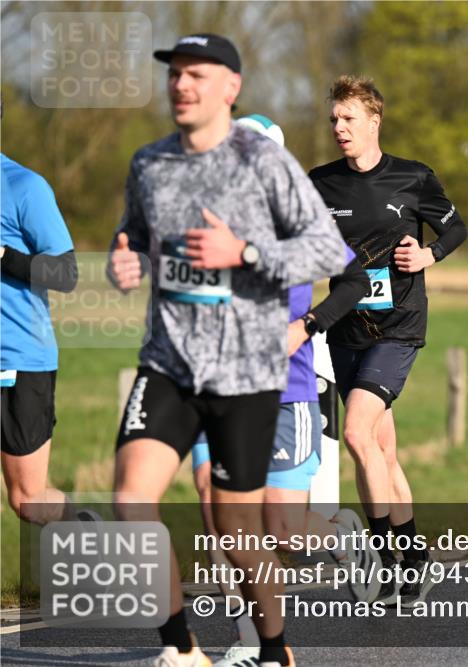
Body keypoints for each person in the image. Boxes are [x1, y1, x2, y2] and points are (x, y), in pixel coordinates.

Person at [106, 34, 349, 667]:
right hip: (169, 361)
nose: (182, 85)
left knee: (240, 534)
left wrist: (244, 254)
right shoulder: (149, 162)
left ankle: (273, 647)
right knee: (132, 498)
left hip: (246, 372)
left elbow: (326, 251)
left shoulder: (266, 164)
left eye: (197, 75)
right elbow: (133, 227)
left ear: (231, 89)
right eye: (175, 74)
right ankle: (181, 649)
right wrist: (124, 253)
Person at [190, 114, 375, 667]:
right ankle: (255, 644)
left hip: (286, 392)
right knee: (217, 510)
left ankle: (341, 534)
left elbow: (354, 282)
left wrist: (307, 325)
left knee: (284, 534)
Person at [309, 75, 468, 606]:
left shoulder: (413, 178)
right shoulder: (319, 183)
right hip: (345, 327)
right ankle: (416, 558)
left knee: (356, 433)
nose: (339, 128)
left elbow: (455, 229)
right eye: (333, 119)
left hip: (398, 327)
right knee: (380, 451)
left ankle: (380, 556)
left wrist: (428, 255)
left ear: (374, 122)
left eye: (348, 119)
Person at [1, 152, 80, 526]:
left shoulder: (24, 186)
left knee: (28, 500)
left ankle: (87, 534)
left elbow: (66, 273)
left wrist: (3, 255)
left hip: (16, 358)